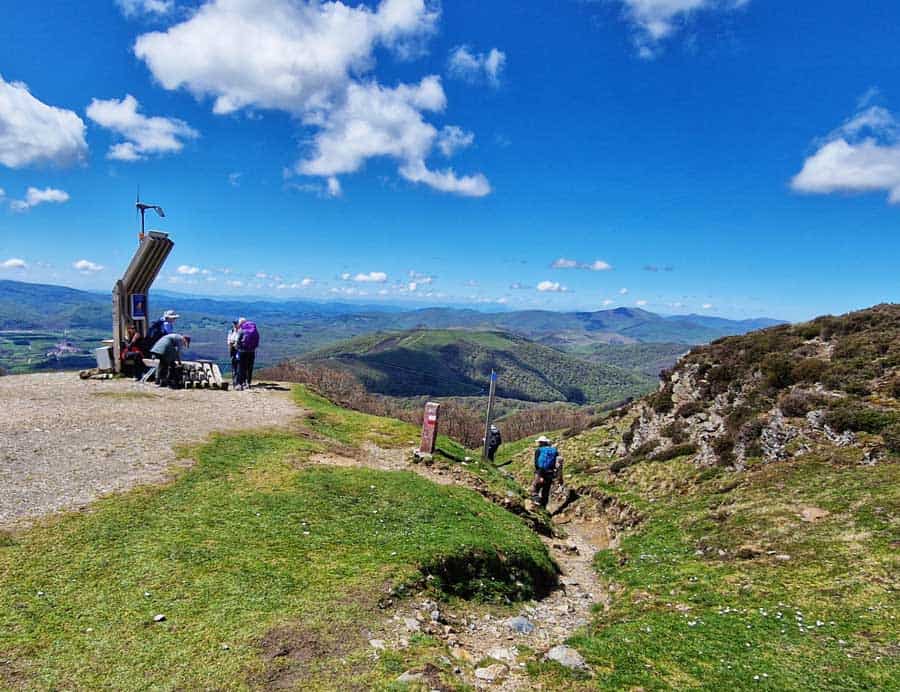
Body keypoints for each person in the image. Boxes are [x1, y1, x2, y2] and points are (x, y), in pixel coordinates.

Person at [530, 435, 563, 508]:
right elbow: (557, 463)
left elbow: (536, 463)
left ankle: (536, 503)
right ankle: (544, 507)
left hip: (540, 472)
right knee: (546, 491)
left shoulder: (539, 450)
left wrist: (539, 474)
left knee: (534, 489)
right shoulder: (554, 451)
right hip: (551, 473)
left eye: (539, 442)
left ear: (541, 443)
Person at [235, 317, 260, 390]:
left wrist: (237, 348)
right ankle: (248, 383)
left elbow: (238, 341)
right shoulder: (254, 330)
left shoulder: (241, 330)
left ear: (241, 323)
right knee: (249, 368)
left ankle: (240, 384)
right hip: (252, 352)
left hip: (242, 351)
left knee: (241, 367)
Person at [227, 321, 240, 388]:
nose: (234, 325)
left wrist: (235, 343)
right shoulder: (231, 331)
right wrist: (231, 343)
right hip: (232, 350)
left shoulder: (240, 331)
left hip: (238, 350)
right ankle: (234, 381)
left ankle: (237, 381)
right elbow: (228, 341)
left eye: (235, 324)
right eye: (234, 324)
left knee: (238, 365)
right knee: (234, 365)